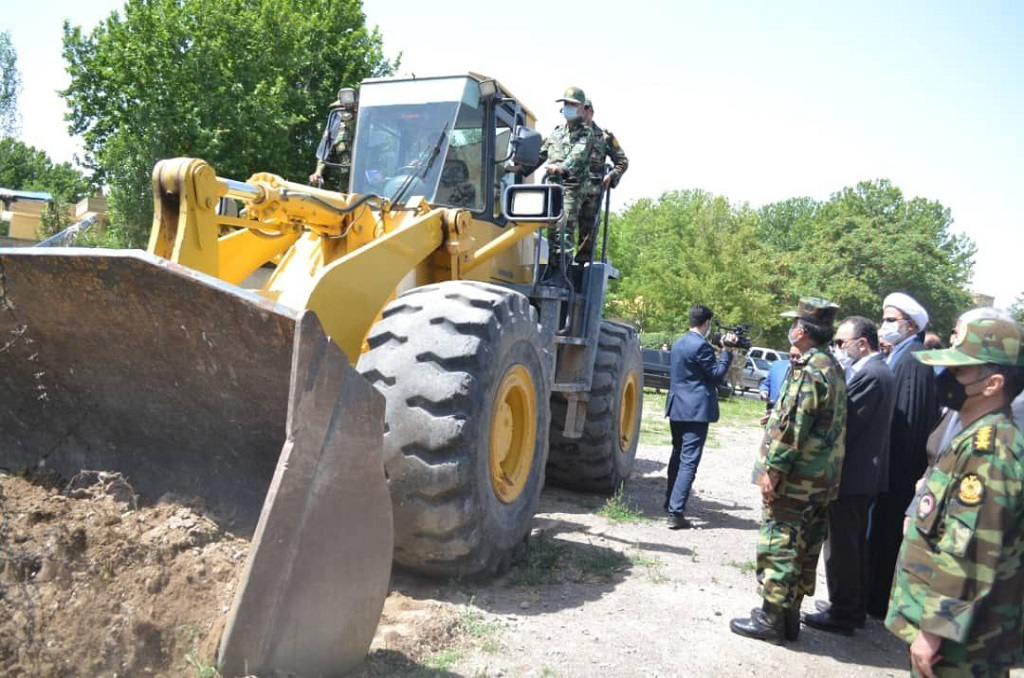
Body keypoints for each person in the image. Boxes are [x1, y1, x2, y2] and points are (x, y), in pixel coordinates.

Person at [885, 315, 1024, 677]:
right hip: (958, 635)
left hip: (962, 645)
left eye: (959, 370)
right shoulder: (975, 435)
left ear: (993, 383)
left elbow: (969, 549)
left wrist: (933, 631)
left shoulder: (989, 450)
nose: (946, 377)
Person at [730, 297, 846, 645]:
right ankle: (788, 616)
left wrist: (773, 470)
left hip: (797, 480)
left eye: (792, 324)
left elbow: (796, 424)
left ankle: (770, 618)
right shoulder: (831, 366)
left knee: (780, 543)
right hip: (819, 480)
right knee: (804, 546)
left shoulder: (810, 368)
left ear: (800, 331)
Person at [802, 316, 896, 635]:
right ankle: (849, 607)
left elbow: (845, 423)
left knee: (842, 546)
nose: (838, 348)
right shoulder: (876, 370)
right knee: (851, 545)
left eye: (842, 343)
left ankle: (843, 612)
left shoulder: (872, 373)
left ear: (862, 343)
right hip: (860, 476)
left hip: (854, 477)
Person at [865, 292, 939, 619]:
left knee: (886, 537)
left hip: (897, 471)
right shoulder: (900, 354)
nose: (884, 325)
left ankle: (876, 601)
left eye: (891, 319)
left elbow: (908, 422)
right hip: (887, 469)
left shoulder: (914, 360)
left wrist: (892, 471)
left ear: (909, 325)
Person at [664, 305, 736, 529]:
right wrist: (727, 353)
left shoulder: (679, 343)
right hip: (696, 410)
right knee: (689, 461)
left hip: (677, 406)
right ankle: (676, 512)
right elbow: (716, 376)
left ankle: (669, 503)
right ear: (707, 323)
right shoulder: (701, 346)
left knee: (677, 455)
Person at [533, 86, 595, 264]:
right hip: (552, 187)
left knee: (564, 227)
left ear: (583, 108)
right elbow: (541, 154)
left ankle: (563, 272)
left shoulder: (586, 133)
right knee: (551, 229)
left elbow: (578, 153)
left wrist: (562, 168)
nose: (568, 107)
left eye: (573, 104)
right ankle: (553, 267)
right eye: (566, 103)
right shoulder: (557, 131)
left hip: (572, 187)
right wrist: (519, 168)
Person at [575, 99, 628, 263]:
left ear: (589, 110)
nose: (577, 113)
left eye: (580, 109)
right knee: (562, 226)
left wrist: (611, 175)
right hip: (570, 187)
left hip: (593, 191)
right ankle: (560, 264)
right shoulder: (568, 134)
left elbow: (622, 161)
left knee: (588, 232)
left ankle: (581, 266)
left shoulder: (604, 137)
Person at [309, 87, 358, 190]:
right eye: (341, 106)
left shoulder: (370, 126)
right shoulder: (337, 130)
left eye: (349, 106)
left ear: (356, 107)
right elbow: (326, 151)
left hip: (369, 180)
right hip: (347, 183)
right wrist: (318, 172)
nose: (345, 109)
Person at [759, 346, 800, 416]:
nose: (794, 359)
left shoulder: (807, 373)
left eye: (798, 357)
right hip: (771, 411)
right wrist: (764, 392)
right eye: (792, 356)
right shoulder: (776, 366)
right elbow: (766, 384)